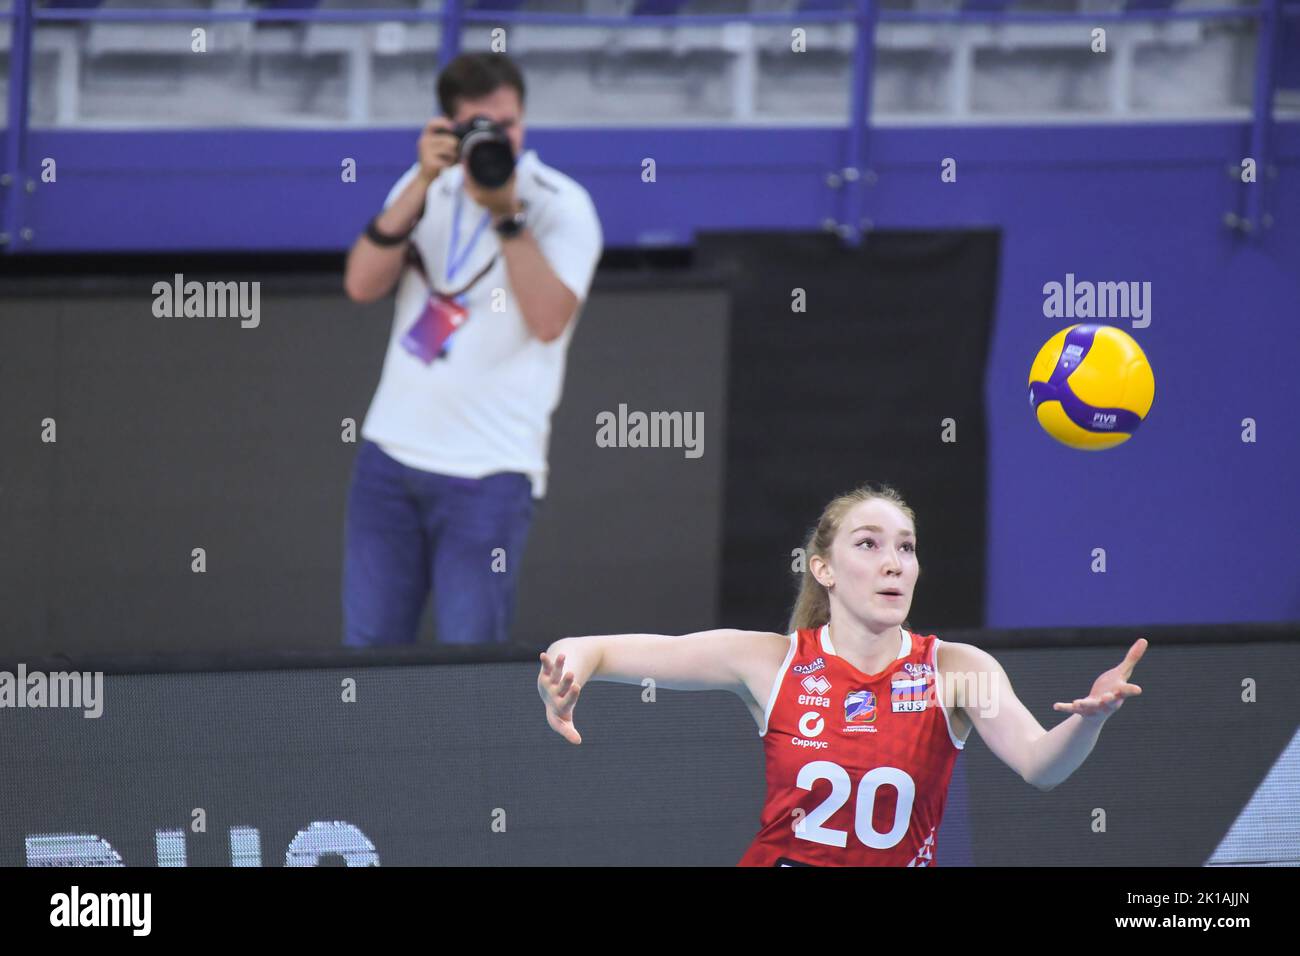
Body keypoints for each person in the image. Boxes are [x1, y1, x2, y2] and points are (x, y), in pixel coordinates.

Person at [537, 483, 1146, 866]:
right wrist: (566, 671)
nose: (893, 564)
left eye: (905, 548)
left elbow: (1040, 764)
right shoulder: (773, 663)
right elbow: (608, 651)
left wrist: (1092, 721)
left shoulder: (956, 671)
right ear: (824, 570)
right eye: (869, 545)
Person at [342, 53, 603, 646]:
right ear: (448, 126)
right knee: (364, 660)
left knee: (470, 668)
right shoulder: (426, 188)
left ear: (524, 122)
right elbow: (361, 284)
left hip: (489, 471)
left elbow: (547, 321)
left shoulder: (561, 203)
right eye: (480, 125)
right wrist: (420, 182)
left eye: (508, 124)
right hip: (389, 458)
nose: (498, 137)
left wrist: (507, 216)